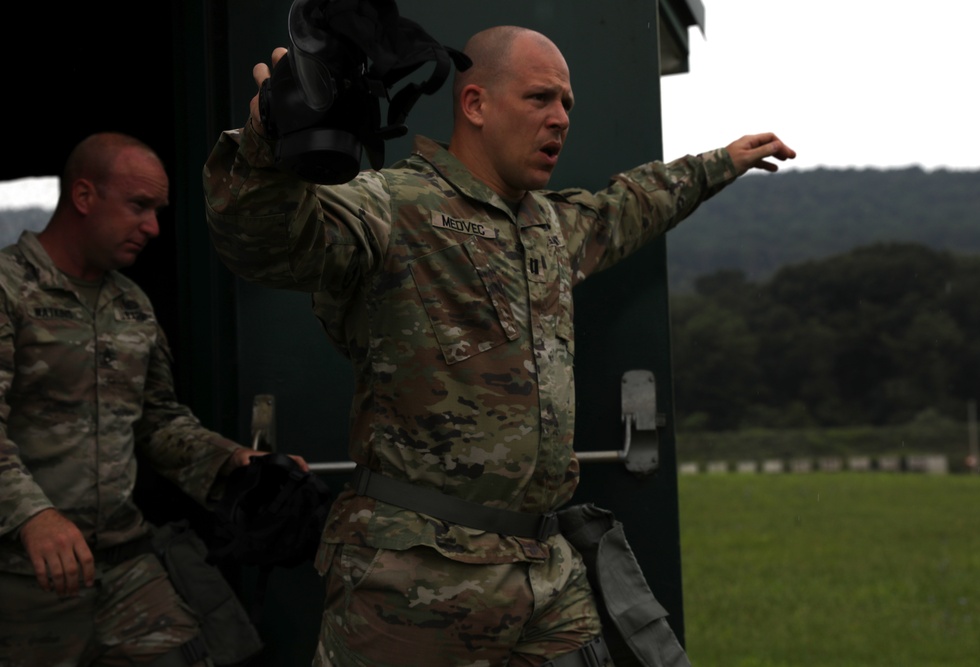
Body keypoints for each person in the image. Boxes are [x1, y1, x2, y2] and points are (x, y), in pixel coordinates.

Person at [203, 25, 796, 667]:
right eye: (540, 98)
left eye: (567, 104)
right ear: (476, 104)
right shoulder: (393, 206)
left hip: (544, 572)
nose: (560, 119)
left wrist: (720, 163)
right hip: (416, 579)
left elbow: (628, 208)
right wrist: (266, 139)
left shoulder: (546, 225)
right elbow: (265, 240)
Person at [0, 132, 308, 667]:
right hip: (23, 574)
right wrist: (33, 517)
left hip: (123, 562)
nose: (153, 228)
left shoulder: (132, 306)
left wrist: (234, 460)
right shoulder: (8, 289)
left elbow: (159, 422)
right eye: (139, 206)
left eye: (156, 210)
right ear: (83, 196)